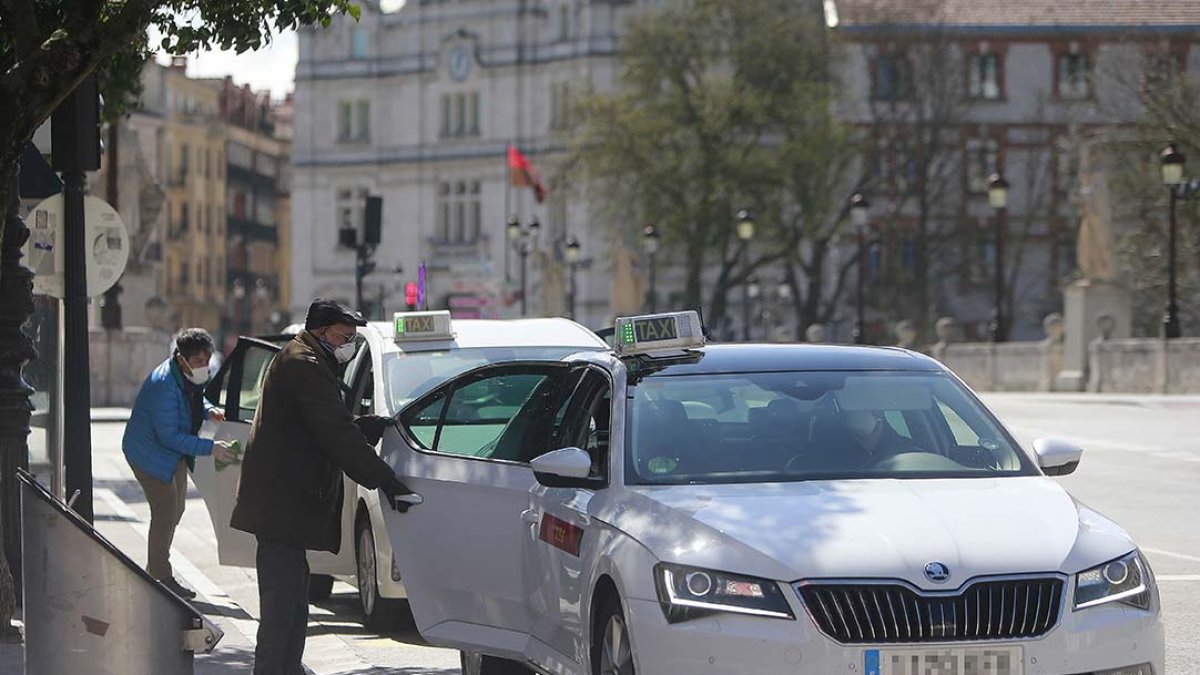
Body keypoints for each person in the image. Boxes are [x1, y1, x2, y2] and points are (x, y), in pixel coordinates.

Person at [230, 299, 412, 675]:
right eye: (344, 337)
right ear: (322, 332)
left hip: (284, 505)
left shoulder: (305, 358)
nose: (348, 345)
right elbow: (332, 431)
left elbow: (313, 425)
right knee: (283, 606)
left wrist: (359, 425)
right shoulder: (303, 363)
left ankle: (286, 669)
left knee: (293, 604)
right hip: (282, 506)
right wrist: (384, 478)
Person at [123, 328, 238, 599]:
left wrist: (210, 410)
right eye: (198, 361)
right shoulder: (164, 384)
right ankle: (161, 577)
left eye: (206, 360)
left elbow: (195, 397)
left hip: (170, 452)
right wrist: (212, 449)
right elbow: (171, 436)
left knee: (177, 509)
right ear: (182, 358)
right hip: (149, 453)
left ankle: (154, 568)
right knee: (164, 512)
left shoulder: (184, 375)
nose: (203, 367)